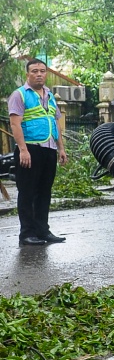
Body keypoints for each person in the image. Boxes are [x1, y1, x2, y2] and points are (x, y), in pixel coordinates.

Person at [7, 58, 68, 245]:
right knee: (27, 192)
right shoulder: (19, 95)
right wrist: (23, 150)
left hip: (49, 149)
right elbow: (15, 124)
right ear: (27, 74)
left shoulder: (50, 95)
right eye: (34, 71)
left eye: (42, 71)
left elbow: (55, 122)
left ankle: (43, 231)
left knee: (44, 192)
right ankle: (27, 234)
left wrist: (61, 148)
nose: (39, 74)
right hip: (30, 149)